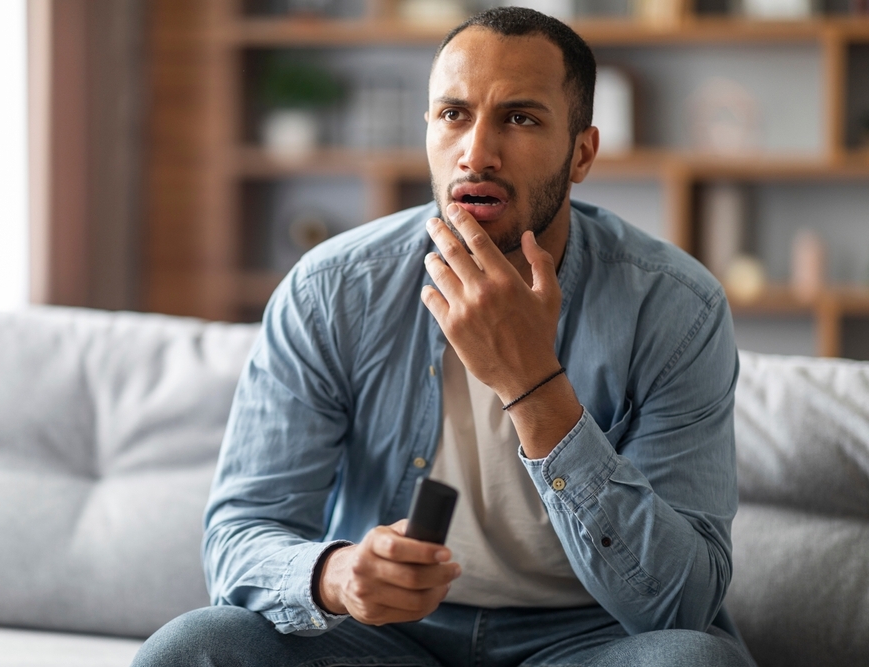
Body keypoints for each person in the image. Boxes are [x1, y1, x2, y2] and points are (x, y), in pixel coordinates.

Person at [132, 7, 755, 667]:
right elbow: (239, 535)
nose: (477, 152)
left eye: (520, 118)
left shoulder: (676, 307)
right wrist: (338, 575)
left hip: (586, 638)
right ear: (427, 127)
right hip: (382, 639)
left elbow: (681, 602)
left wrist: (531, 383)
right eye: (453, 115)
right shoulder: (331, 291)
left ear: (582, 153)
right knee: (192, 649)